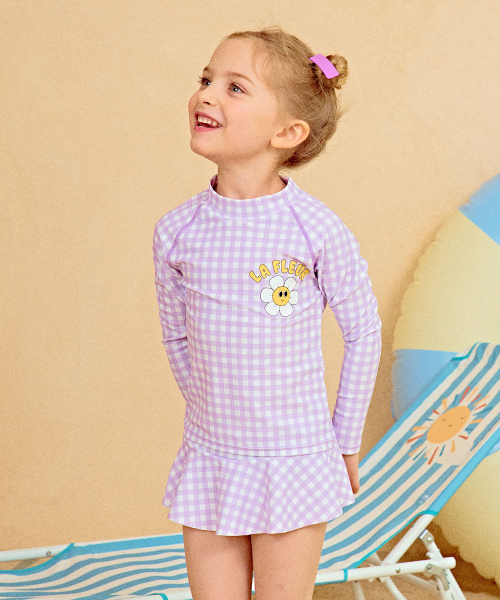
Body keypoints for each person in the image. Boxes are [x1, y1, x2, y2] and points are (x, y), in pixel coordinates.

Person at [152, 24, 382, 600]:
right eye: (206, 79)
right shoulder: (177, 232)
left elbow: (363, 332)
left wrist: (344, 441)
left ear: (287, 132)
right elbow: (177, 338)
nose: (206, 95)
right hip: (211, 458)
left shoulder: (315, 230)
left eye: (234, 87)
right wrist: (211, 413)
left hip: (295, 460)